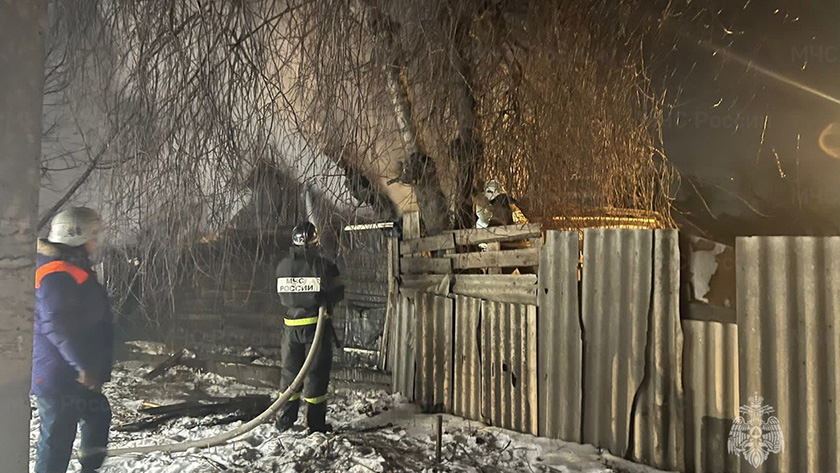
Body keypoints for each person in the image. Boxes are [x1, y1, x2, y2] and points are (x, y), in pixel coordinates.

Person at [32, 207, 114, 473]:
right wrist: (82, 365)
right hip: (59, 374)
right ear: (77, 237)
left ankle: (89, 467)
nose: (96, 241)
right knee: (57, 438)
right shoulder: (56, 272)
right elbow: (58, 323)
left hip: (71, 371)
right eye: (94, 235)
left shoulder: (71, 267)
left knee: (97, 412)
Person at [274, 221, 344, 434]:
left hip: (289, 329)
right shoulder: (322, 265)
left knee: (289, 374)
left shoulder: (282, 266)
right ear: (314, 241)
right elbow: (338, 292)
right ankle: (314, 424)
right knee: (315, 374)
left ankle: (284, 420)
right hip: (315, 329)